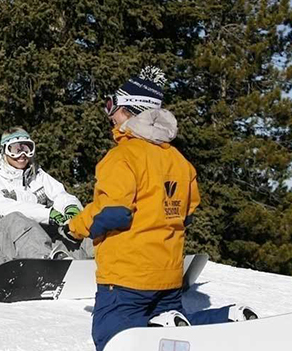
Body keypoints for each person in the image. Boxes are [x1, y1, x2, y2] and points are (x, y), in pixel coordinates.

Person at [65, 67, 258, 351]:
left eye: (112, 106)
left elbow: (113, 212)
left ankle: (217, 321)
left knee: (114, 339)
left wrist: (74, 228)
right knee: (166, 336)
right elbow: (187, 214)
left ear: (129, 111)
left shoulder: (122, 157)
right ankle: (225, 319)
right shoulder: (180, 161)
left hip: (126, 276)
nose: (110, 115)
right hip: (167, 276)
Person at [0, 127, 93, 272]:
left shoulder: (38, 175)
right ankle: (46, 269)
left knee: (78, 225)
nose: (22, 155)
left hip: (34, 240)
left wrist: (70, 208)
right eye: (16, 149)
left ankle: (96, 262)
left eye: (27, 148)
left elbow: (60, 195)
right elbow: (1, 208)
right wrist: (48, 214)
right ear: (4, 150)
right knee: (16, 219)